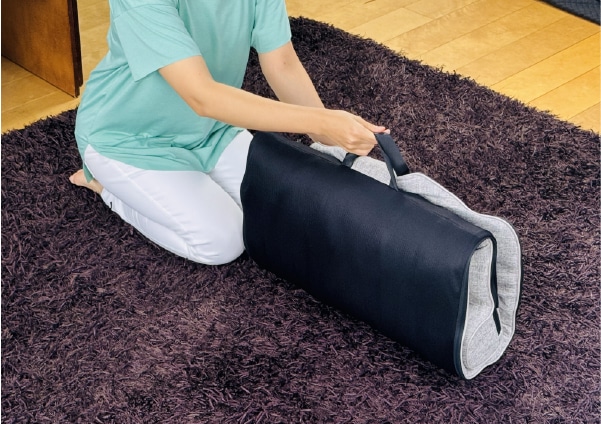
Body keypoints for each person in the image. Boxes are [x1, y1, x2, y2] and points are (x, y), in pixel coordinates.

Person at [70, 0, 387, 265]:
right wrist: (319, 123)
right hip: (128, 139)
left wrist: (329, 138)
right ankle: (107, 190)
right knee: (224, 242)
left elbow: (282, 64)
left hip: (213, 130)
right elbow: (202, 96)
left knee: (285, 209)